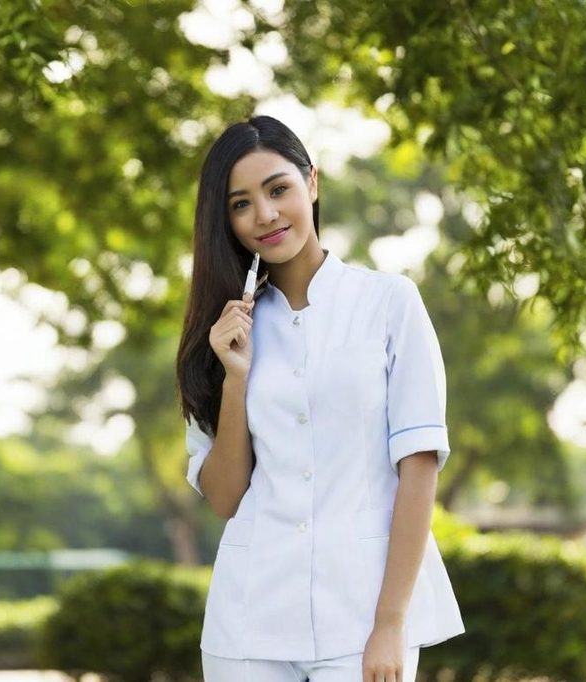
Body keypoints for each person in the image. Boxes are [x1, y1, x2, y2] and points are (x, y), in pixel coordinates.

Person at [174, 115, 464, 682]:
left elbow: (419, 465)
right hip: (249, 620)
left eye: (278, 189)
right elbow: (225, 498)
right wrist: (235, 376)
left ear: (312, 183)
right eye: (240, 204)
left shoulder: (389, 303)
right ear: (225, 220)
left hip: (362, 617)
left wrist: (389, 624)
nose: (265, 215)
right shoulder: (224, 332)